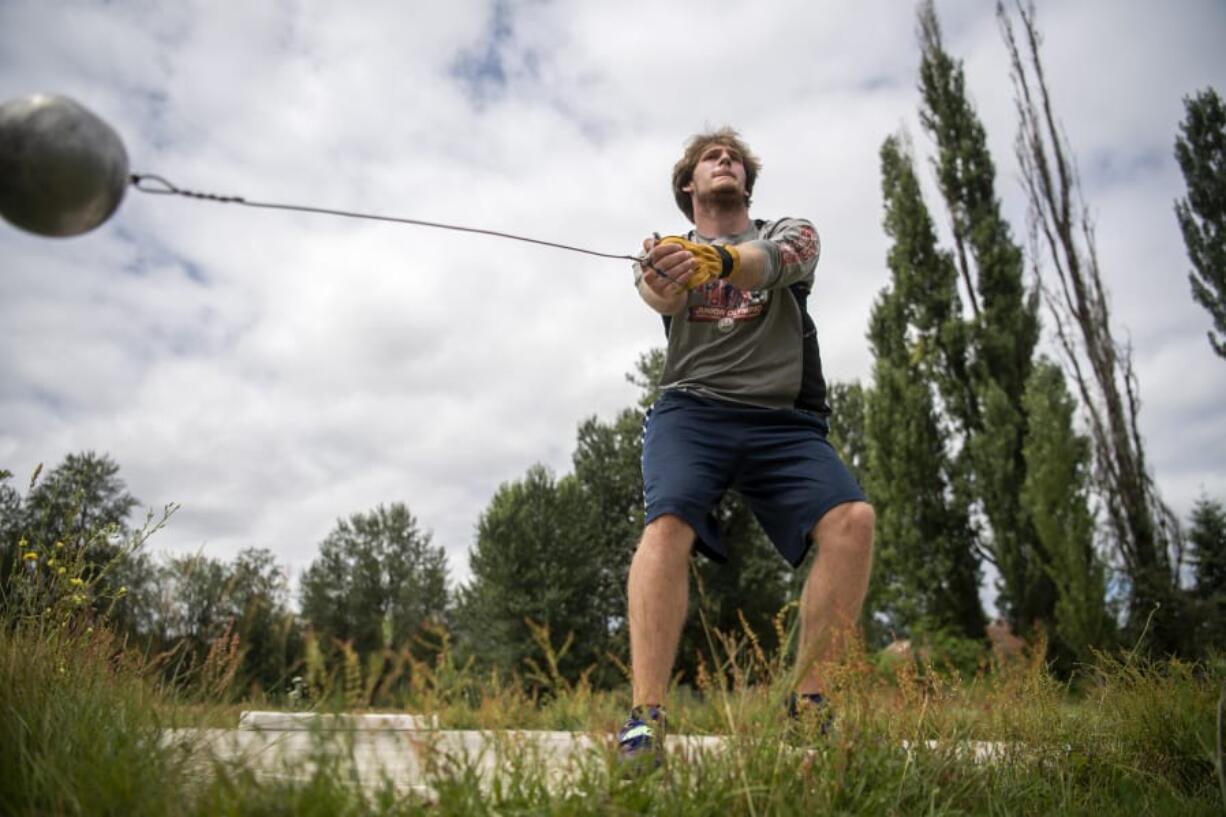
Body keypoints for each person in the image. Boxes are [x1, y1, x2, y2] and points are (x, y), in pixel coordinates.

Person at [619, 127, 875, 764]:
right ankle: (645, 718)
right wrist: (665, 272)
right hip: (692, 411)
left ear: (746, 182)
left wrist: (724, 261)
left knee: (853, 522)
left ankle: (809, 704)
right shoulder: (666, 249)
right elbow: (659, 294)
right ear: (689, 184)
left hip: (781, 422)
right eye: (711, 157)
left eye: (733, 156)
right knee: (668, 522)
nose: (724, 160)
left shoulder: (792, 231)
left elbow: (779, 261)